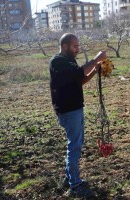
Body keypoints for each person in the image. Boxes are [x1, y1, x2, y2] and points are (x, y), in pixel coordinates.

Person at [49, 33, 106, 198]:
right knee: (74, 146)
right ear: (65, 46)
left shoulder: (69, 61)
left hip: (75, 108)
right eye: (75, 46)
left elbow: (79, 79)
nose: (77, 49)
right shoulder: (57, 61)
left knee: (75, 144)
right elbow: (77, 73)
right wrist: (95, 59)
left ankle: (70, 178)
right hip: (68, 110)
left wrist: (95, 70)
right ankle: (75, 185)